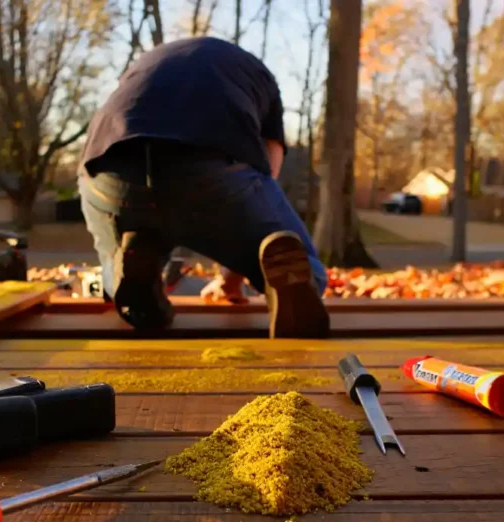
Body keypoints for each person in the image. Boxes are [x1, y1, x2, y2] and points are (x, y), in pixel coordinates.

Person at [77, 37, 330, 338]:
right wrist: (236, 273)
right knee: (303, 262)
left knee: (116, 258)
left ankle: (128, 273)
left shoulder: (146, 63)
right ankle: (292, 288)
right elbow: (266, 169)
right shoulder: (260, 77)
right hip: (210, 169)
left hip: (108, 166)